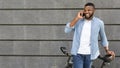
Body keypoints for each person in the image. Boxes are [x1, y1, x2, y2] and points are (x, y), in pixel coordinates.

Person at [64, 2, 115, 68]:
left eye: (89, 10)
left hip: (90, 54)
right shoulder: (78, 21)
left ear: (94, 11)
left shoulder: (99, 23)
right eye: (85, 10)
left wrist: (107, 51)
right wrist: (76, 18)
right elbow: (67, 30)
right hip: (78, 53)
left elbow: (103, 38)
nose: (86, 12)